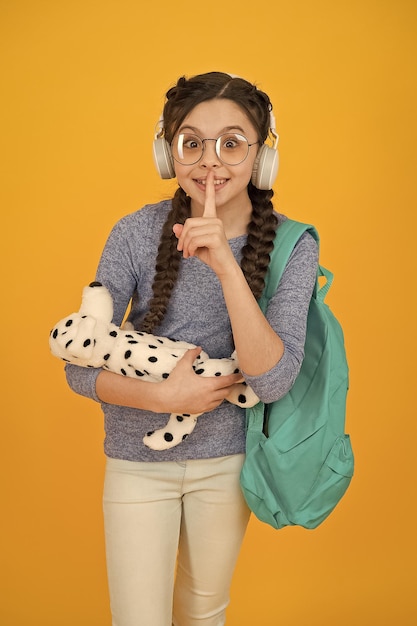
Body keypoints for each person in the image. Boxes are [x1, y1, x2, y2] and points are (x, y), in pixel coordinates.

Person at [65, 71, 318, 626]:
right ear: (168, 152)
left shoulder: (295, 246)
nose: (211, 161)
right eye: (192, 142)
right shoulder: (134, 233)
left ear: (261, 158)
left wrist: (227, 266)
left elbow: (273, 380)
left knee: (205, 615)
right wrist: (162, 397)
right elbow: (78, 367)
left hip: (226, 464)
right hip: (136, 462)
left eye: (232, 144)